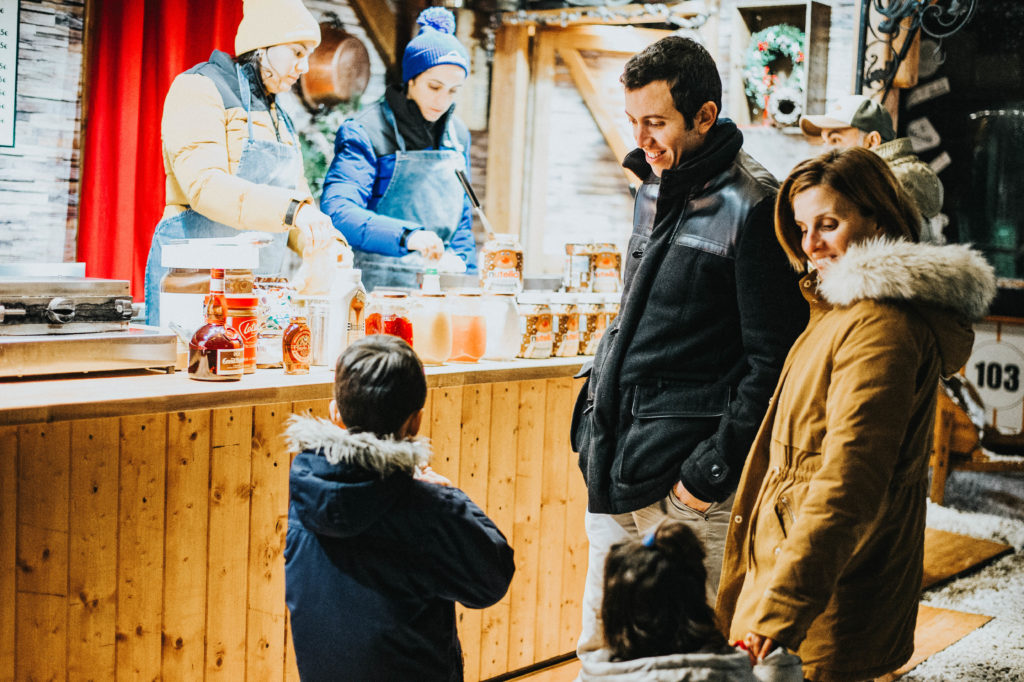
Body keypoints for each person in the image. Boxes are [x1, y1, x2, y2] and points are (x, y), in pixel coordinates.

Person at [716, 147, 996, 681]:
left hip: (826, 598)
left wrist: (781, 611)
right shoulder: (837, 310)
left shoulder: (879, 326)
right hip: (802, 575)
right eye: (802, 228)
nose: (810, 244)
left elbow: (849, 480)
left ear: (879, 220)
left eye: (829, 224)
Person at [570, 36, 808, 660]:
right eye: (633, 121)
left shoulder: (757, 206)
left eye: (656, 122)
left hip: (686, 489)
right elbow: (634, 319)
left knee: (687, 659)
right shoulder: (652, 187)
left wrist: (707, 475)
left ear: (704, 116)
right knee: (600, 648)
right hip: (614, 463)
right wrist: (591, 424)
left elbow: (773, 364)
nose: (641, 139)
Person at [283, 335, 515, 682]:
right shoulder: (430, 508)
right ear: (416, 421)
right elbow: (492, 579)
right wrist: (451, 496)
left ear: (335, 413)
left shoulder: (307, 490)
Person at [143, 0, 340, 326]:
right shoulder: (199, 87)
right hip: (193, 285)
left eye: (308, 55)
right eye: (297, 52)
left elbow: (299, 204)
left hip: (255, 297)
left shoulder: (281, 118)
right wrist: (294, 211)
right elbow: (205, 187)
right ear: (263, 46)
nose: (304, 67)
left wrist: (326, 244)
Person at [320, 7, 477, 292]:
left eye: (453, 91)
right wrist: (408, 236)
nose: (442, 101)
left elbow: (462, 225)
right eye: (434, 87)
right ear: (411, 79)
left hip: (439, 291)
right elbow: (338, 212)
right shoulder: (365, 131)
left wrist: (468, 282)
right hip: (375, 291)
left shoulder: (458, 136)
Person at [579, 521, 803, 681]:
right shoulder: (738, 673)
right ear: (699, 604)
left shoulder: (592, 675)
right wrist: (773, 662)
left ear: (611, 613)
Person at [800, 94, 945, 242]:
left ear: (872, 141)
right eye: (824, 142)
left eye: (835, 140)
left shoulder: (878, 188)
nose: (825, 151)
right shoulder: (890, 179)